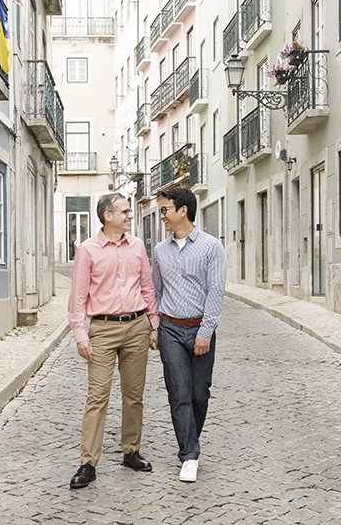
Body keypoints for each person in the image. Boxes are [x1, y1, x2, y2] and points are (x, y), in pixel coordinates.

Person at [66, 192, 159, 490]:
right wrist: (81, 334)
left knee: (134, 395)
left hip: (135, 327)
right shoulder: (88, 250)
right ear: (108, 216)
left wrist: (153, 325)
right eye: (125, 211)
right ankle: (88, 463)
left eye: (130, 211)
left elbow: (147, 287)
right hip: (103, 330)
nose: (130, 216)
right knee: (97, 396)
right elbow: (77, 299)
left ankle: (131, 450)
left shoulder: (138, 247)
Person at [151, 185, 227, 483]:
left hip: (200, 329)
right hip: (170, 328)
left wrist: (205, 332)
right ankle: (189, 454)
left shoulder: (211, 247)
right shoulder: (159, 250)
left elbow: (215, 292)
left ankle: (190, 439)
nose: (162, 217)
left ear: (183, 210)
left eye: (165, 210)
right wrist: (155, 328)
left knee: (199, 394)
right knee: (179, 393)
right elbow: (156, 291)